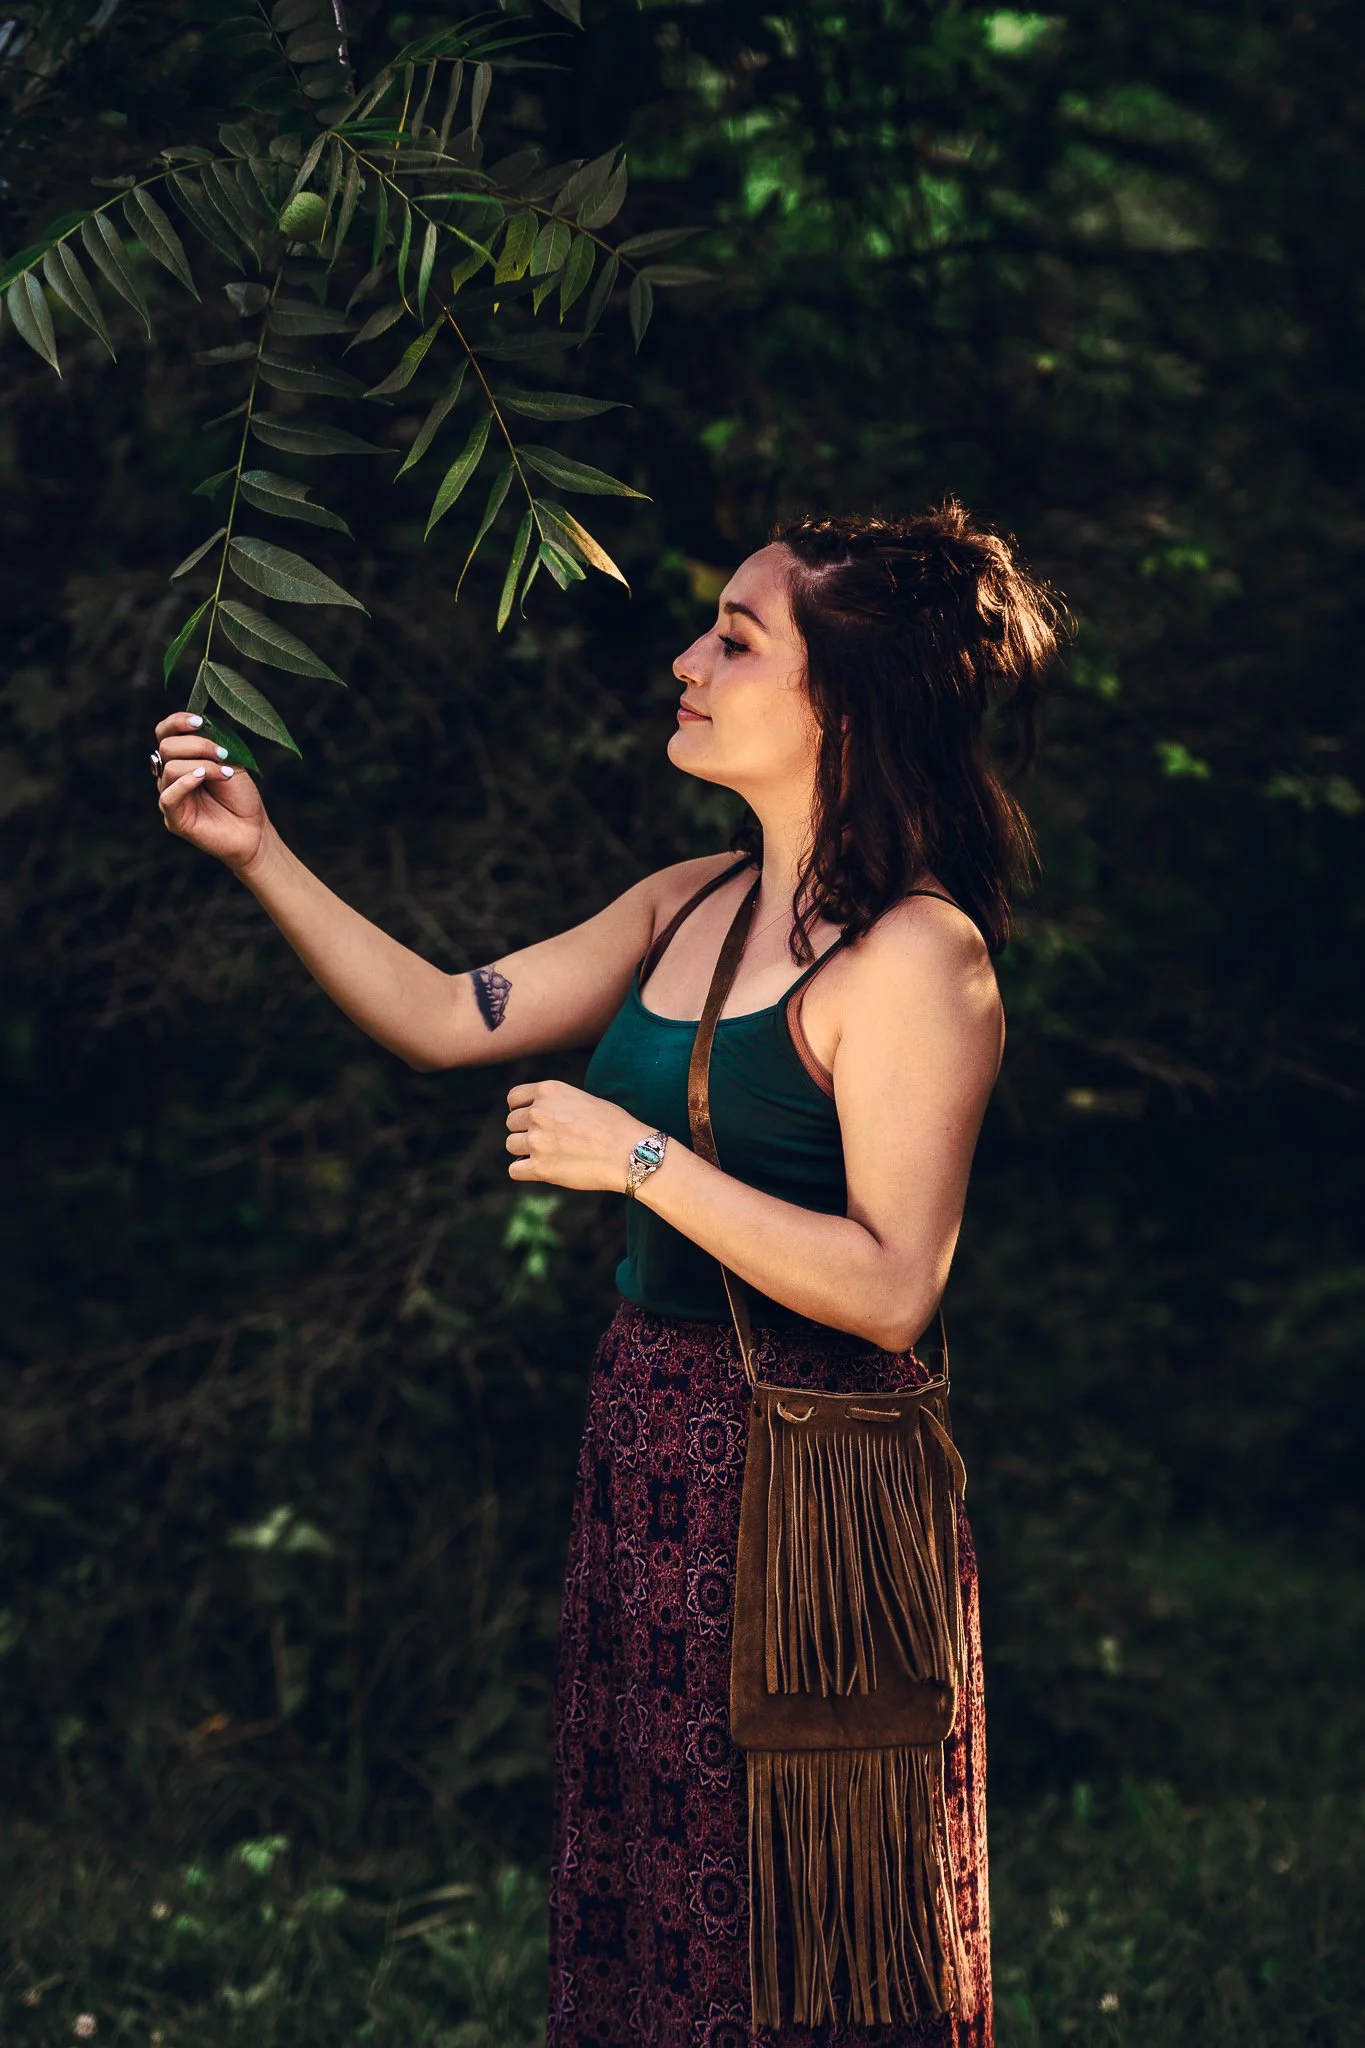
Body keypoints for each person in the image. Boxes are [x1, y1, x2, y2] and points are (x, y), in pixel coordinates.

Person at [150, 501, 1058, 2048]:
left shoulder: (917, 958)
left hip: (810, 1489)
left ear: (844, 700)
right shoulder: (685, 901)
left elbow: (895, 1286)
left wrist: (637, 1162)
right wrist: (261, 852)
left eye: (736, 637)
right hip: (651, 1444)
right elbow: (448, 1012)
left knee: (810, 1903)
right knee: (652, 1878)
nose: (690, 660)